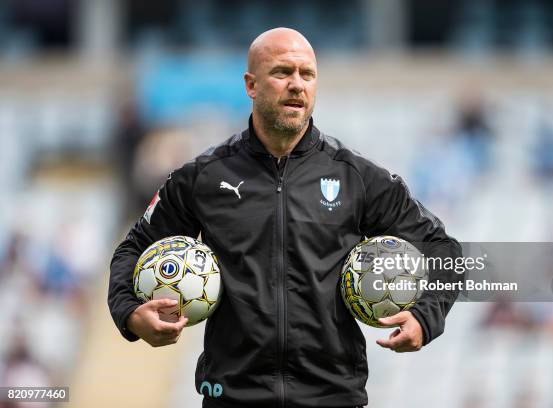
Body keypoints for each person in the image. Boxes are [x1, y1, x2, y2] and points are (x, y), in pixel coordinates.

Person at [108, 27, 462, 408]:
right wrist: (130, 313)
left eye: (306, 74)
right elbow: (133, 249)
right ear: (251, 84)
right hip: (232, 397)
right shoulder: (203, 177)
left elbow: (445, 251)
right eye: (282, 72)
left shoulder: (356, 176)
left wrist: (425, 319)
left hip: (333, 398)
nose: (297, 85)